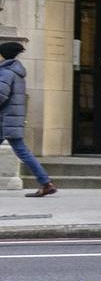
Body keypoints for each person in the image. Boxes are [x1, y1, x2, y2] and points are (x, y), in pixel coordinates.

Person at [0, 40, 54, 198]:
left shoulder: (6, 72)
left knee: (23, 152)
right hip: (10, 120)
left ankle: (46, 183)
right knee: (23, 152)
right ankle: (46, 183)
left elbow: (1, 95)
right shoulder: (14, 71)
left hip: (5, 121)